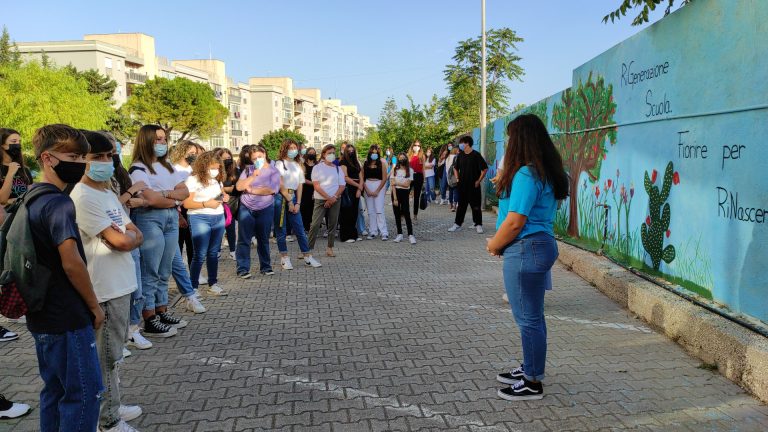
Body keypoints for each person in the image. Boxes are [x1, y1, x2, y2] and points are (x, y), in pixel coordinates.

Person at [486, 114, 569, 401]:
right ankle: (531, 369)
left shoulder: (526, 174)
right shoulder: (540, 171)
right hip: (537, 246)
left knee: (528, 319)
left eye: (510, 138)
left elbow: (515, 222)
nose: (507, 143)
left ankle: (533, 382)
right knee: (534, 316)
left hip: (526, 247)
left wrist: (494, 245)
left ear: (519, 140)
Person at [27, 124, 103, 431]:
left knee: (55, 391)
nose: (80, 163)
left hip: (43, 313)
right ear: (47, 158)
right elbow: (72, 263)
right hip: (67, 315)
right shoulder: (58, 203)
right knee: (84, 394)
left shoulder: (32, 195)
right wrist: (94, 306)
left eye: (82, 156)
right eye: (72, 155)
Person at [71, 131, 144, 432]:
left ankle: (114, 406)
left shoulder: (106, 191)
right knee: (104, 358)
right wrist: (128, 238)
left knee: (114, 354)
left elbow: (131, 231)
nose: (106, 162)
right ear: (82, 160)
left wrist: (128, 237)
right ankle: (107, 420)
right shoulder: (82, 196)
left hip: (121, 283)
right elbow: (122, 240)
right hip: (104, 287)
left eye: (109, 156)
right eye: (98, 157)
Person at [129, 125, 189, 338]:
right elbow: (152, 200)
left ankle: (162, 310)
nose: (162, 144)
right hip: (149, 219)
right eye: (158, 140)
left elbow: (185, 192)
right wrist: (171, 196)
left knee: (164, 269)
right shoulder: (138, 168)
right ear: (146, 141)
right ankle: (149, 317)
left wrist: (164, 194)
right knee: (150, 270)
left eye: (164, 139)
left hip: (171, 218)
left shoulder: (168, 166)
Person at [182, 151, 229, 297]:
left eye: (217, 168)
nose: (215, 171)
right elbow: (186, 203)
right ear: (203, 166)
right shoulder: (193, 180)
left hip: (218, 217)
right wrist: (205, 203)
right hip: (199, 217)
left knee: (213, 253)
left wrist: (225, 197)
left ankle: (213, 284)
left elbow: (221, 194)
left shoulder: (217, 180)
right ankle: (193, 287)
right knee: (199, 253)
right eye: (213, 168)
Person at [273, 140, 322, 269]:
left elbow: (300, 185)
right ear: (285, 149)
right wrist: (289, 201)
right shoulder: (279, 164)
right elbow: (280, 184)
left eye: (295, 148)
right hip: (281, 198)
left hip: (294, 197)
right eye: (291, 148)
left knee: (300, 229)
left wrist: (298, 203)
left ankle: (307, 256)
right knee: (281, 229)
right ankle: (284, 257)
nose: (293, 150)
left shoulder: (297, 165)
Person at [235, 145, 280, 277]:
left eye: (259, 157)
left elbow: (272, 189)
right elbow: (239, 187)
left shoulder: (274, 171)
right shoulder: (249, 170)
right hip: (246, 207)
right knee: (244, 239)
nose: (257, 160)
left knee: (263, 239)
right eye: (254, 159)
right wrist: (253, 177)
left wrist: (252, 190)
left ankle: (265, 267)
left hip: (265, 208)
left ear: (264, 154)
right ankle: (242, 268)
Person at [170, 141, 205, 267]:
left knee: (193, 243)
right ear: (182, 152)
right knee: (179, 242)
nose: (194, 155)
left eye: (195, 153)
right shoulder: (173, 169)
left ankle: (194, 271)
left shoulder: (194, 169)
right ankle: (178, 272)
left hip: (193, 208)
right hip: (179, 209)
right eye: (191, 153)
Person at [307, 144, 345, 257]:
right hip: (320, 200)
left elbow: (342, 186)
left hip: (335, 200)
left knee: (332, 225)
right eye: (329, 153)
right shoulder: (317, 168)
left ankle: (330, 248)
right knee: (314, 224)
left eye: (333, 153)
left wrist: (333, 198)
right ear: (324, 154)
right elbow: (317, 186)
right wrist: (329, 198)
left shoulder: (338, 169)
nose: (332, 155)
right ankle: (308, 249)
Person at [448, 136, 488, 233]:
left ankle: (478, 224)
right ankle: (457, 224)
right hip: (462, 185)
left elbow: (485, 169)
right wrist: (457, 178)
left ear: (467, 143)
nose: (460, 145)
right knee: (461, 205)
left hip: (474, 185)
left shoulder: (476, 155)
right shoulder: (460, 155)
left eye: (462, 143)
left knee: (476, 206)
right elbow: (455, 168)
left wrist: (478, 181)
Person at [214, 148, 238, 260]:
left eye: (229, 158)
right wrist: (228, 189)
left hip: (230, 204)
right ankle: (217, 250)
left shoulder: (234, 171)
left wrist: (228, 189)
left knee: (231, 227)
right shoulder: (215, 171)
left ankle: (233, 251)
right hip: (218, 202)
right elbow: (216, 188)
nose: (227, 160)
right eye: (224, 158)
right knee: (219, 229)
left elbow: (237, 188)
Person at [0, 128, 33, 205]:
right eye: (14, 141)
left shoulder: (24, 170)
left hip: (22, 215)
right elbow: (2, 200)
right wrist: (10, 173)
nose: (18, 144)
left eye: (19, 142)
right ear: (2, 144)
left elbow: (31, 196)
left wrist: (12, 201)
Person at [362, 145, 388, 240]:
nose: (374, 154)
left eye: (376, 152)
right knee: (371, 210)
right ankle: (373, 231)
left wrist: (377, 190)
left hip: (379, 185)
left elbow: (384, 178)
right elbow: (362, 177)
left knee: (379, 209)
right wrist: (367, 189)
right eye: (372, 152)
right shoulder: (365, 163)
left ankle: (384, 232)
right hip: (368, 184)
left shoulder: (382, 163)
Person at [338, 143, 363, 243]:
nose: (351, 152)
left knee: (354, 213)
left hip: (357, 189)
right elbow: (345, 177)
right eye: (349, 151)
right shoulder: (343, 162)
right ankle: (346, 236)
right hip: (348, 189)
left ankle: (354, 234)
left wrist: (359, 188)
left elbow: (361, 176)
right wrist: (358, 186)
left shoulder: (356, 162)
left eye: (353, 150)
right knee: (346, 212)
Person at [390, 153, 416, 244]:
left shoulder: (410, 170)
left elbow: (407, 184)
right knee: (397, 213)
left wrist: (396, 182)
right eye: (400, 158)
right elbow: (392, 185)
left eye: (403, 158)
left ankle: (410, 235)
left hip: (405, 193)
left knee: (406, 212)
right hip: (395, 193)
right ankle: (399, 234)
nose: (402, 159)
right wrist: (395, 198)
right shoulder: (394, 170)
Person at [300, 147, 317, 232]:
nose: (312, 154)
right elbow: (302, 178)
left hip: (316, 190)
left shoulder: (317, 165)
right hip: (305, 190)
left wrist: (316, 185)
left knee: (313, 209)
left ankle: (312, 228)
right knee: (305, 208)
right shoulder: (303, 165)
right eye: (310, 152)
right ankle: (305, 227)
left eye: (313, 153)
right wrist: (314, 183)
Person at [407, 141, 425, 221]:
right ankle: (404, 215)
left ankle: (415, 215)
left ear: (420, 147)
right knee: (405, 196)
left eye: (418, 145)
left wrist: (424, 180)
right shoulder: (408, 155)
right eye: (415, 145)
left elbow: (423, 168)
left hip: (419, 176)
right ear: (412, 146)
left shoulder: (422, 156)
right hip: (410, 176)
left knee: (417, 197)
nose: (416, 147)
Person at [445, 146, 460, 211]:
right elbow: (456, 168)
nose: (459, 151)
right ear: (455, 150)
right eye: (458, 150)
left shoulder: (447, 157)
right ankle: (455, 206)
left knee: (450, 191)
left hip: (449, 177)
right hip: (455, 177)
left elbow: (446, 169)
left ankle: (451, 205)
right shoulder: (455, 157)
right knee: (456, 191)